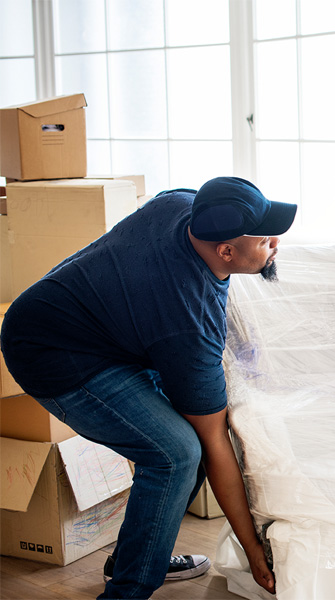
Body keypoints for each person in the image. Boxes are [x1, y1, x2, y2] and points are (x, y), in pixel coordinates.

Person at [1, 176, 297, 599]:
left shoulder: (181, 205)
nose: (276, 242)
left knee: (184, 446)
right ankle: (127, 589)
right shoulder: (188, 324)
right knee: (177, 454)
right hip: (52, 352)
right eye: (265, 238)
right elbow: (215, 441)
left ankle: (131, 557)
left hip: (97, 327)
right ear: (226, 251)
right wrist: (253, 549)